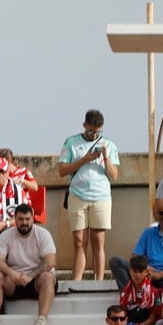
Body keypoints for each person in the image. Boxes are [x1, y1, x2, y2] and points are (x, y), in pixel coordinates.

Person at [58, 110, 120, 282]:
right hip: (77, 195)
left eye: (98, 132)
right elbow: (62, 170)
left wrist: (106, 158)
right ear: (84, 125)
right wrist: (85, 159)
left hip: (101, 197)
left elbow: (114, 175)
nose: (94, 135)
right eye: (91, 131)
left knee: (98, 241)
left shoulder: (110, 145)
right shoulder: (71, 143)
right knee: (79, 241)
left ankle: (99, 280)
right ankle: (76, 280)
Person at [0, 204, 56, 325]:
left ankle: (42, 319)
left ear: (33, 218)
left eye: (27, 219)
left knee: (47, 276)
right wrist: (11, 273)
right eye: (20, 219)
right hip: (15, 281)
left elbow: (50, 260)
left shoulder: (43, 234)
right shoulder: (6, 235)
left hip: (37, 281)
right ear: (15, 219)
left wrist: (31, 275)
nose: (24, 223)